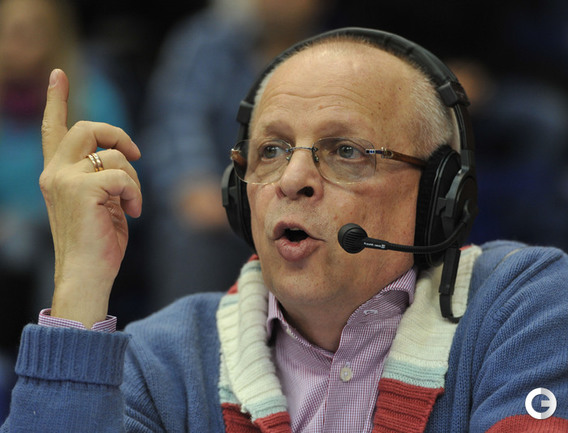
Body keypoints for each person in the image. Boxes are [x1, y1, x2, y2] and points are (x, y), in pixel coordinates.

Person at [2, 27, 568, 432]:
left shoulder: (525, 307)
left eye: (346, 151)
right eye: (270, 150)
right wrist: (79, 284)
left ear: (439, 195)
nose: (292, 179)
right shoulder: (164, 361)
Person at [140, 0, 333, 308]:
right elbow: (178, 120)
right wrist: (197, 186)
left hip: (301, 201)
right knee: (190, 234)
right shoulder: (206, 42)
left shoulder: (338, 57)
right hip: (220, 205)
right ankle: (185, 331)